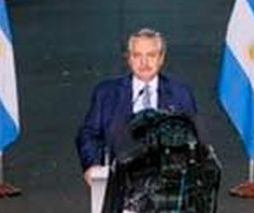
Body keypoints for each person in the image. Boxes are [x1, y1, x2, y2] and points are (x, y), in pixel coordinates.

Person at [76, 27, 198, 185]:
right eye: (137, 55)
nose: (144, 63)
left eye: (151, 56)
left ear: (161, 59)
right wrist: (93, 165)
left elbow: (195, 138)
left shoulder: (180, 93)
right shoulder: (106, 93)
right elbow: (88, 134)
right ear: (129, 59)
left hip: (167, 182)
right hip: (118, 178)